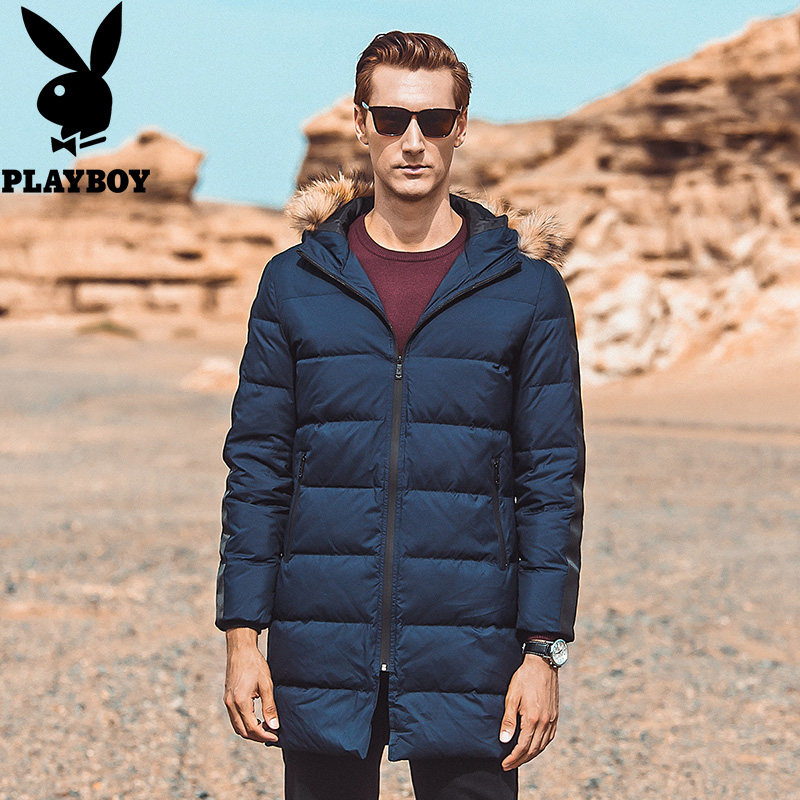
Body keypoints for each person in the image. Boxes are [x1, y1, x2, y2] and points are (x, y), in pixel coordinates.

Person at [215, 29, 585, 800]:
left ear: (461, 126)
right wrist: (243, 637)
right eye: (391, 119)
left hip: (474, 649)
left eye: (434, 120)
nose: (412, 141)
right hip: (320, 640)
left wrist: (542, 651)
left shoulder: (528, 291)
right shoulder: (293, 284)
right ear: (361, 124)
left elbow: (552, 483)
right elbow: (257, 471)